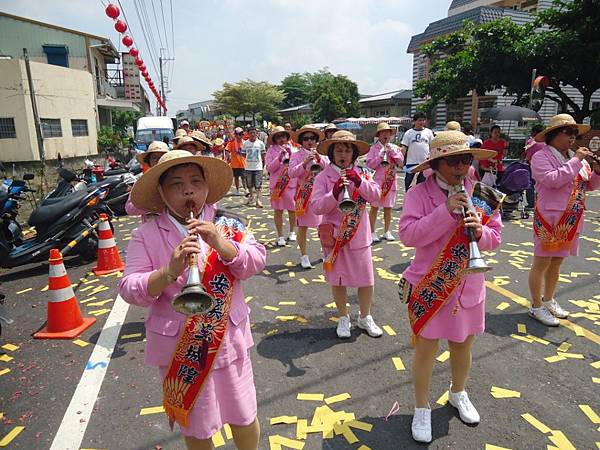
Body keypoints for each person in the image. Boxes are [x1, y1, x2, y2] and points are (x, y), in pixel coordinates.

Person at [118, 150, 266, 450]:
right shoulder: (145, 234)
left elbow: (256, 260)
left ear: (207, 187)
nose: (188, 190)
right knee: (196, 428)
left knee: (244, 415)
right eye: (176, 184)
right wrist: (169, 272)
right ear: (161, 191)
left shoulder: (228, 224)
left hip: (227, 341)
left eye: (196, 182)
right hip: (180, 350)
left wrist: (221, 244)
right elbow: (129, 287)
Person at [398, 130, 502, 443]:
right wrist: (444, 212)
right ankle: (421, 406)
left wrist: (480, 231)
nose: (460, 167)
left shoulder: (482, 191)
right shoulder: (419, 193)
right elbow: (408, 235)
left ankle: (458, 392)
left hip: (468, 284)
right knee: (426, 351)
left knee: (462, 346)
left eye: (465, 159)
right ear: (436, 164)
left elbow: (496, 237)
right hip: (431, 283)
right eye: (452, 161)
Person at [527, 114, 600, 326]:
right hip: (550, 218)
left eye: (574, 133)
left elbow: (589, 185)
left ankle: (548, 299)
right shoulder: (541, 157)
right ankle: (536, 306)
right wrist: (576, 160)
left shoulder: (574, 156)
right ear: (552, 135)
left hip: (572, 218)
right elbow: (553, 180)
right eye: (567, 132)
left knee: (557, 261)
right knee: (541, 262)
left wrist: (596, 171)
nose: (572, 137)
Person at [311, 131, 383, 339]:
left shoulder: (363, 172)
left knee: (366, 279)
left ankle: (365, 316)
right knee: (338, 279)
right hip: (334, 236)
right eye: (339, 150)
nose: (343, 154)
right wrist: (333, 193)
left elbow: (377, 196)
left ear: (354, 154)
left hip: (359, 234)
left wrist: (360, 182)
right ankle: (343, 317)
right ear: (332, 154)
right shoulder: (323, 176)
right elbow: (316, 207)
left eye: (347, 150)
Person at [288, 125, 329, 268]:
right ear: (301, 141)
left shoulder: (321, 154)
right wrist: (304, 163)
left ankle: (326, 252)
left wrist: (319, 159)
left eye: (312, 138)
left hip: (320, 194)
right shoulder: (296, 155)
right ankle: (304, 255)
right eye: (306, 139)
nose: (309, 141)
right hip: (303, 195)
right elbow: (291, 173)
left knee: (323, 226)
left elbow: (329, 168)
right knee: (303, 226)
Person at [367, 123, 404, 242]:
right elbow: (370, 165)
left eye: (387, 132)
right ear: (378, 135)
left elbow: (401, 162)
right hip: (377, 182)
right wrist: (380, 156)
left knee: (388, 208)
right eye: (383, 132)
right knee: (374, 207)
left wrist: (392, 152)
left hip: (390, 181)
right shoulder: (373, 148)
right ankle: (372, 232)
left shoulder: (394, 147)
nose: (385, 135)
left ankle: (387, 231)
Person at [265, 126, 298, 246]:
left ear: (287, 137)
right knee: (278, 211)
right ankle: (280, 236)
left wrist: (290, 153)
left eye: (283, 136)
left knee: (292, 210)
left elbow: (297, 167)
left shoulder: (294, 149)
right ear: (274, 139)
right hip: (277, 186)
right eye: (278, 137)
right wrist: (279, 157)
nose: (281, 139)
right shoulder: (271, 151)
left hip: (291, 184)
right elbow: (269, 168)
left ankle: (292, 232)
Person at [125, 141, 170, 220]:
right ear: (149, 161)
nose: (158, 161)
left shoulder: (175, 178)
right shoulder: (142, 182)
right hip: (151, 228)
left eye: (162, 157)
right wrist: (150, 206)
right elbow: (129, 208)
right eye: (154, 158)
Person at [401, 112, 435, 191]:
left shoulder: (429, 132)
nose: (422, 122)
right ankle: (409, 201)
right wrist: (400, 161)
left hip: (424, 164)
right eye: (419, 120)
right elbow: (404, 148)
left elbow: (432, 147)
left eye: (423, 120)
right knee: (408, 185)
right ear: (414, 121)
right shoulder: (408, 133)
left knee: (422, 185)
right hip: (411, 164)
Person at [242, 127, 267, 208]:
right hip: (248, 167)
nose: (253, 134)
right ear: (248, 134)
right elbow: (243, 154)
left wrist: (264, 165)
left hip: (258, 167)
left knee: (258, 185)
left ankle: (258, 200)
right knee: (249, 184)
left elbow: (263, 155)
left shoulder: (260, 143)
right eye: (251, 133)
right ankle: (251, 197)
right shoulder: (245, 143)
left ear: (257, 134)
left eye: (254, 133)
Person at [226, 127, 248, 195]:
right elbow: (227, 150)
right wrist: (228, 156)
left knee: (244, 177)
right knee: (236, 178)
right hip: (235, 163)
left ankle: (245, 189)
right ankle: (237, 190)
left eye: (241, 134)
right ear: (235, 135)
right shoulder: (231, 143)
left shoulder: (245, 143)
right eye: (238, 134)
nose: (239, 136)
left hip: (243, 163)